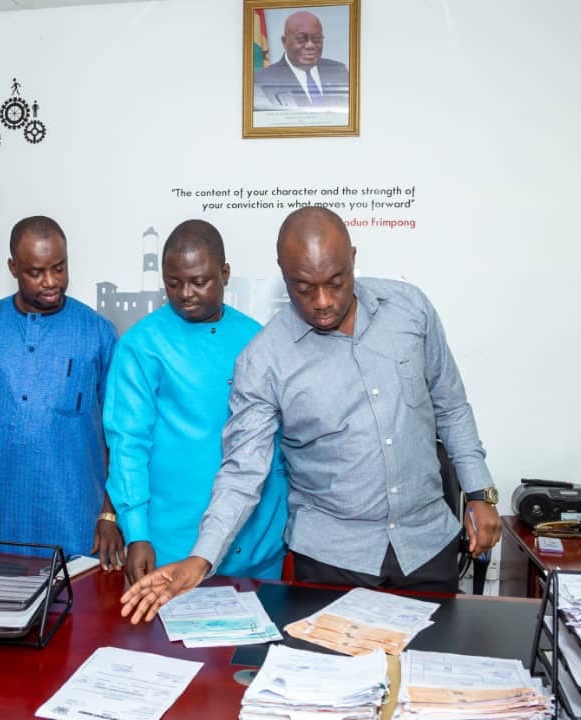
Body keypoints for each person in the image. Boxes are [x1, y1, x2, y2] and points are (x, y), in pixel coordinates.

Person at [122, 206, 503, 623]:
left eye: (336, 283)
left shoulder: (409, 309)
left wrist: (480, 493)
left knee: (429, 680)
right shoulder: (263, 359)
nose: (323, 302)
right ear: (282, 275)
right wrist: (202, 557)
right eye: (303, 287)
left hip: (427, 545)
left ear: (353, 259)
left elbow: (450, 403)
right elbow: (243, 470)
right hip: (332, 560)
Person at [0, 215, 124, 567]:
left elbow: (122, 433)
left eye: (59, 268)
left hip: (76, 523)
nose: (51, 282)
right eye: (36, 272)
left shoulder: (98, 333)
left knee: (77, 618)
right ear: (13, 267)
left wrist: (109, 515)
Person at [104, 220, 288, 585]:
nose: (185, 293)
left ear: (225, 274)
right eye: (173, 283)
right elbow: (127, 444)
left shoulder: (259, 339)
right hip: (174, 548)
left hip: (258, 544)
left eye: (198, 281)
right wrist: (137, 532)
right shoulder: (141, 346)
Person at [253, 10, 349, 111]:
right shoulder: (262, 80)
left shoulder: (339, 70)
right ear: (284, 42)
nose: (310, 45)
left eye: (316, 38)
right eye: (301, 39)